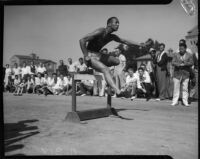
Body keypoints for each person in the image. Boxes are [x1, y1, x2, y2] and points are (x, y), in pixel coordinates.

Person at [79, 17, 147, 96]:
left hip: (98, 55)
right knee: (106, 69)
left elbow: (124, 41)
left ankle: (105, 73)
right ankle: (117, 91)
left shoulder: (111, 37)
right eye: (116, 22)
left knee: (117, 61)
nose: (118, 24)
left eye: (118, 23)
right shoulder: (101, 31)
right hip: (90, 56)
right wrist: (86, 55)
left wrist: (139, 44)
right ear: (109, 24)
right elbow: (82, 40)